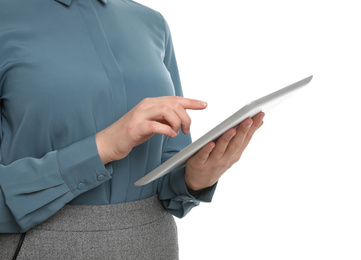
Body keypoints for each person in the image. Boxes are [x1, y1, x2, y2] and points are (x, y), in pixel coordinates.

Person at [0, 0, 264, 259]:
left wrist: (194, 179)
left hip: (153, 243)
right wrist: (103, 147)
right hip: (40, 246)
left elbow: (169, 164)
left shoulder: (151, 22)